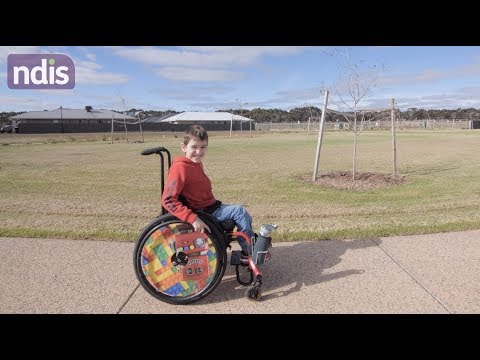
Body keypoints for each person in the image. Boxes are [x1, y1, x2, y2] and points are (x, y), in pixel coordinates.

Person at [161, 124, 254, 253]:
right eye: (194, 147)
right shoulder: (180, 168)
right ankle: (249, 252)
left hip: (210, 207)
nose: (199, 152)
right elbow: (168, 200)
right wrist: (192, 218)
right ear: (184, 147)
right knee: (239, 212)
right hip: (203, 212)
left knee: (243, 215)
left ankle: (251, 241)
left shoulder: (195, 163)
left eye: (203, 147)